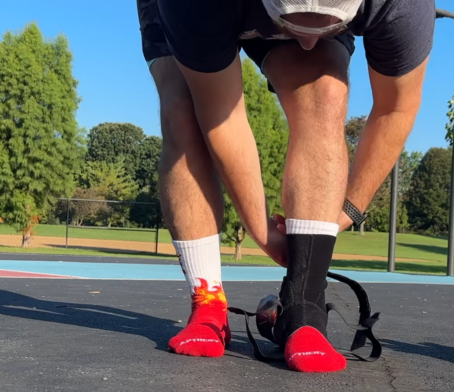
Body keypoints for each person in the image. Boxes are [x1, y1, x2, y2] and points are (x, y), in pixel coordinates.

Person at [138, 0, 435, 373]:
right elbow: (220, 114)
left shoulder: (402, 6)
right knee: (183, 107)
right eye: (293, 25)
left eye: (324, 28)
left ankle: (303, 308)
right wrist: (261, 228)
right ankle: (208, 302)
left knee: (324, 90)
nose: (306, 43)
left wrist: (348, 210)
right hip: (202, 12)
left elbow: (396, 107)